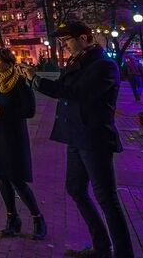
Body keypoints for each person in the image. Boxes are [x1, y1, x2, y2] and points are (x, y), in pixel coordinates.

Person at [21, 21, 133, 258]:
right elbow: (63, 87)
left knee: (106, 197)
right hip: (75, 136)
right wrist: (37, 79)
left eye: (67, 41)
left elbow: (75, 92)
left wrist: (36, 81)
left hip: (94, 138)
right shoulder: (77, 63)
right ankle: (102, 246)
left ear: (84, 38)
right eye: (61, 42)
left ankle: (123, 253)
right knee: (75, 188)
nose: (64, 47)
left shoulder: (103, 65)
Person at [0, 47, 45, 240]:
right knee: (2, 177)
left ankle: (38, 218)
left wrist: (2, 112)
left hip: (12, 135)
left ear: (8, 62)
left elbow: (29, 110)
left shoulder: (19, 81)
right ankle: (12, 219)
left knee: (16, 179)